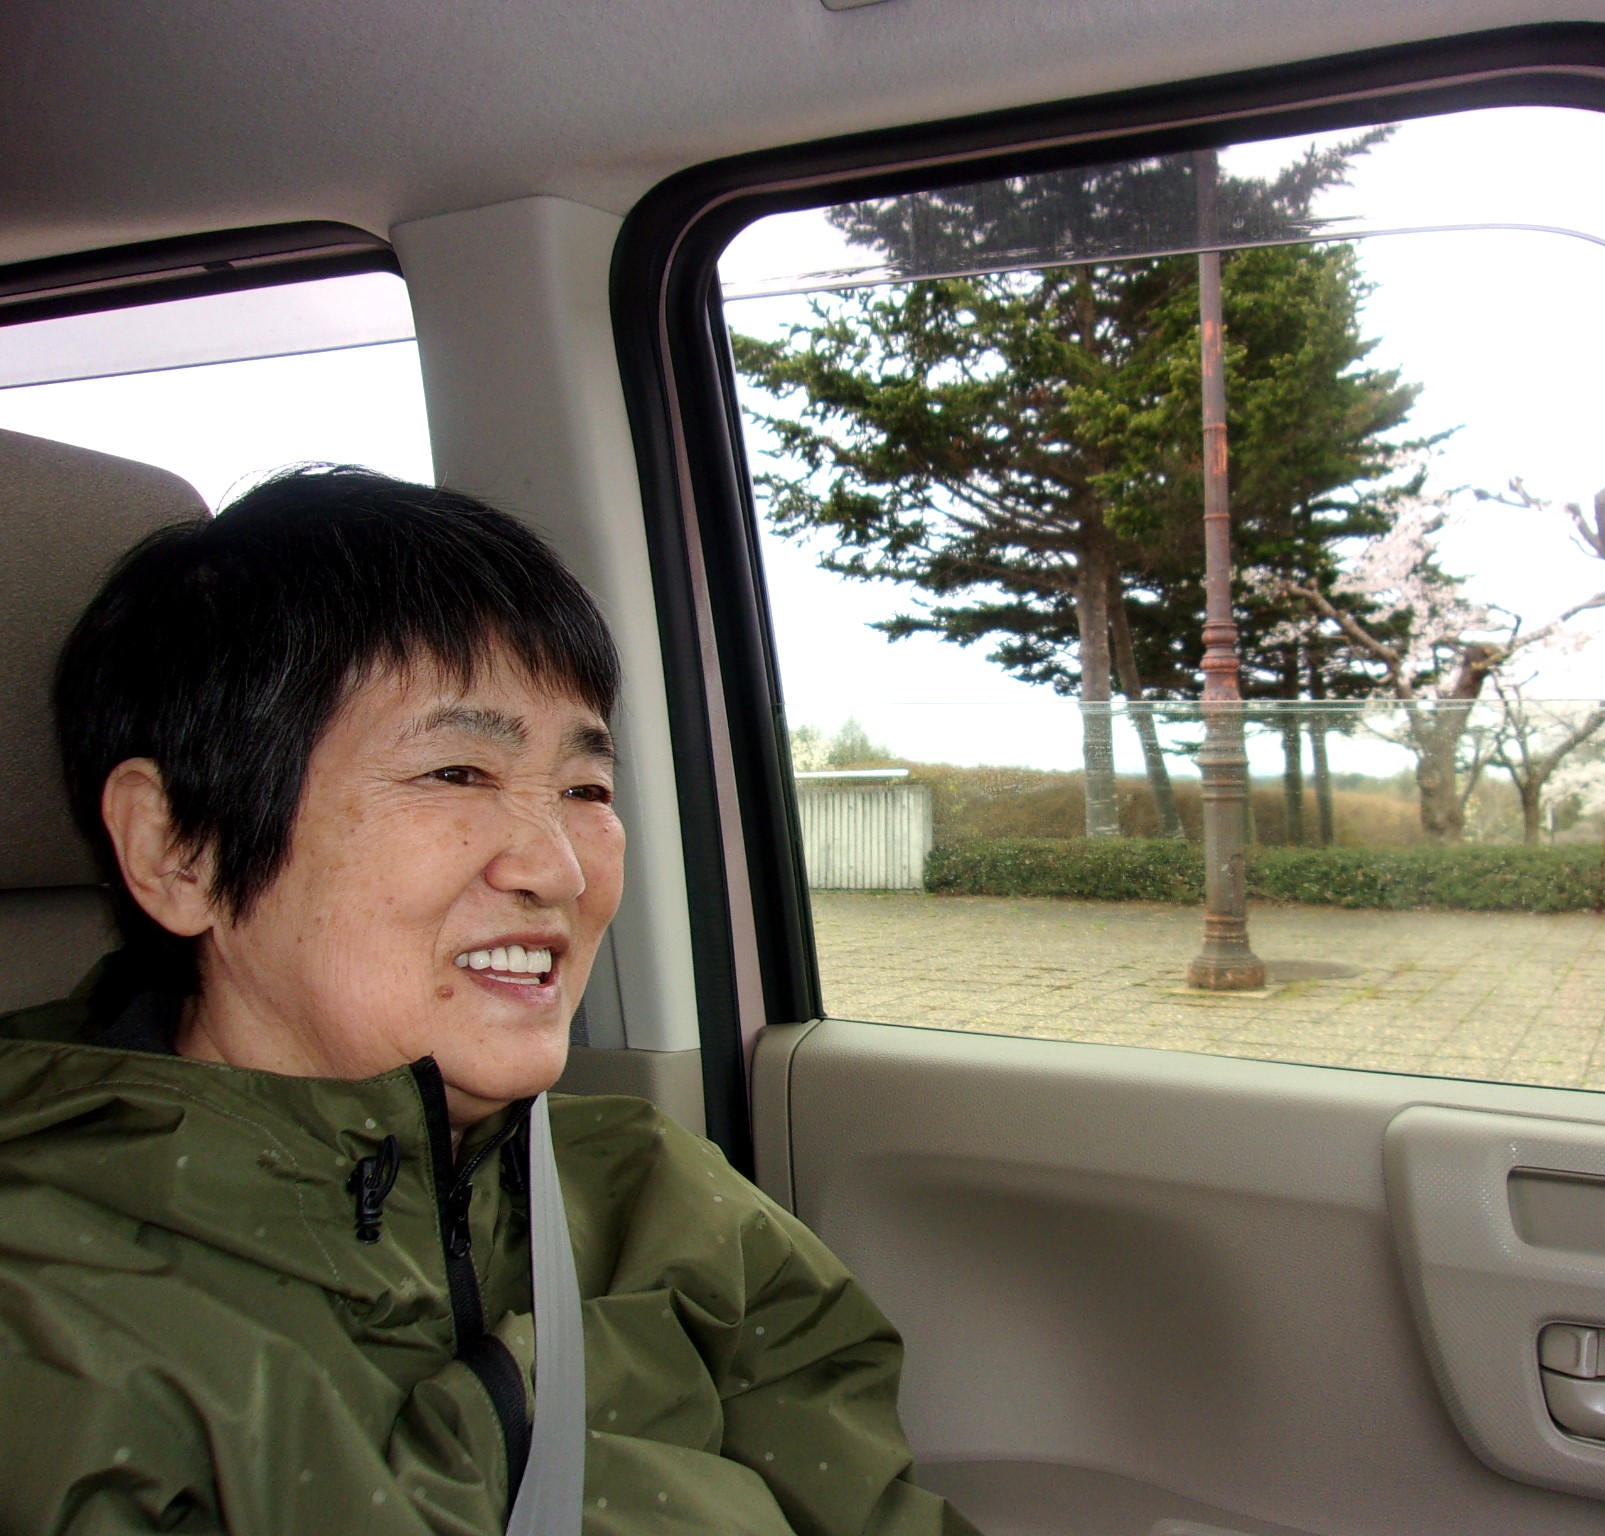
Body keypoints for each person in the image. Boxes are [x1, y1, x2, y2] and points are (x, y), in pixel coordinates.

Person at [0, 467, 978, 1535]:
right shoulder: (50, 1322)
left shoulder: (663, 1201)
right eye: (457, 774)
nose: (560, 867)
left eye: (586, 790)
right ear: (178, 847)